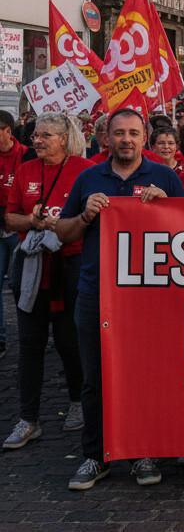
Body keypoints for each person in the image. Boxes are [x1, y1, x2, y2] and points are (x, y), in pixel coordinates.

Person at [57, 107, 184, 490]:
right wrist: (84, 217)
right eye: (119, 133)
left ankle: (145, 450)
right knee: (94, 378)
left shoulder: (165, 176)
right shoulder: (88, 177)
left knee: (145, 375)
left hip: (149, 300)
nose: (126, 139)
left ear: (144, 138)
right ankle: (95, 456)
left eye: (133, 133)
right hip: (96, 294)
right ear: (105, 138)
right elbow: (63, 233)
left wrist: (168, 209)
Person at [2, 113, 90, 451]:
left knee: (69, 340)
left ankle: (77, 401)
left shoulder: (84, 168)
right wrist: (32, 220)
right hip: (32, 266)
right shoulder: (25, 171)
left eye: (46, 135)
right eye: (36, 135)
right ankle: (28, 418)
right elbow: (10, 217)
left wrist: (59, 225)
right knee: (29, 343)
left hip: (71, 264)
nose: (38, 140)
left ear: (64, 139)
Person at [0, 110, 27, 358]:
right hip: (1, 228)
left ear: (8, 131)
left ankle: (28, 332)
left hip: (21, 231)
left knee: (21, 286)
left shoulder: (25, 155)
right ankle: (1, 338)